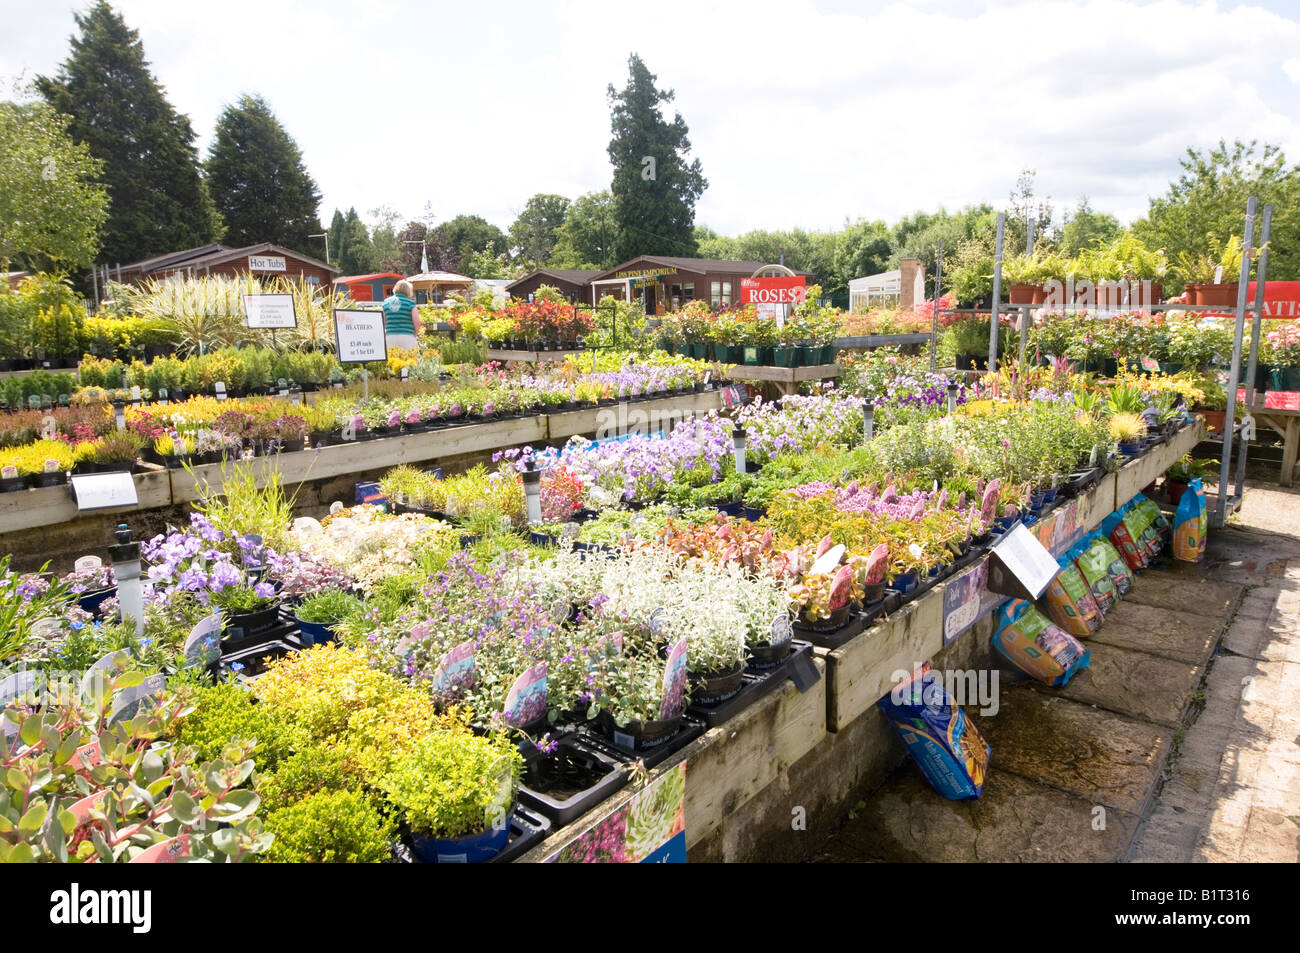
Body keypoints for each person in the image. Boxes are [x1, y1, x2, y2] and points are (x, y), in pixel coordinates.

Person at [381, 280, 423, 350]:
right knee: (409, 360)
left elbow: (382, 322)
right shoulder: (410, 303)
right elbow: (417, 323)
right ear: (408, 291)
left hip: (390, 336)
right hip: (407, 336)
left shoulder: (386, 302)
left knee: (392, 359)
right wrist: (414, 335)